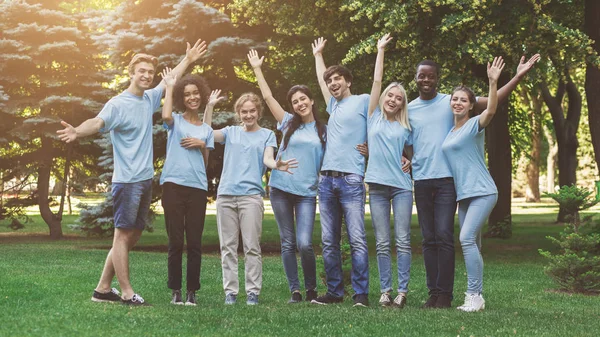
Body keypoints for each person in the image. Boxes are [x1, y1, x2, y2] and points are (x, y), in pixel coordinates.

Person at [57, 39, 207, 306]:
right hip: (127, 181)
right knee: (122, 235)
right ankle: (126, 292)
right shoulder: (117, 104)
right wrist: (77, 131)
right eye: (142, 71)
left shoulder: (149, 98)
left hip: (144, 179)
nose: (148, 76)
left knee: (132, 235)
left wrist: (188, 59)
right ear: (131, 73)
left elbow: (170, 79)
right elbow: (98, 122)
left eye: (150, 72)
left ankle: (103, 288)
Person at [407, 53, 541, 308]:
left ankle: (461, 295)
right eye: (421, 75)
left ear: (438, 79)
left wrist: (514, 76)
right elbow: (406, 139)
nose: (426, 79)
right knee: (440, 240)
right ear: (416, 78)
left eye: (431, 76)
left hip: (457, 186)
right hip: (446, 188)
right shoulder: (421, 112)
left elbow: (493, 104)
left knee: (457, 238)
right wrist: (407, 159)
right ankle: (438, 293)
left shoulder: (457, 108)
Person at [247, 50, 327, 303]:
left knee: (304, 243)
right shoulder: (287, 122)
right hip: (281, 188)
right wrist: (257, 68)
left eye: (303, 99)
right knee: (287, 242)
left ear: (312, 101)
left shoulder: (323, 130)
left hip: (306, 192)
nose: (299, 104)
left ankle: (312, 289)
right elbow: (267, 96)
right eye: (295, 101)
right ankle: (295, 290)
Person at [204, 92, 297, 306]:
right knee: (227, 246)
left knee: (251, 246)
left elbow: (268, 158)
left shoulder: (267, 134)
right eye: (244, 112)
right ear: (238, 113)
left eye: (252, 111)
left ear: (258, 112)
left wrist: (275, 165)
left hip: (251, 197)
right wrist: (209, 106)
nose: (248, 115)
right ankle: (231, 292)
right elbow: (207, 133)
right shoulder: (231, 132)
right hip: (226, 195)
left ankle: (253, 292)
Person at [310, 37, 370, 307]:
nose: (333, 84)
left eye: (337, 79)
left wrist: (375, 150)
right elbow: (322, 81)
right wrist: (318, 55)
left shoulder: (363, 101)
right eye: (330, 81)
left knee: (357, 239)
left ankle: (360, 294)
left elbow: (384, 126)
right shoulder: (333, 106)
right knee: (328, 241)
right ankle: (334, 292)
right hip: (326, 180)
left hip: (351, 179)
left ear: (348, 81)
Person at [442, 57, 504, 312]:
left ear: (470, 106)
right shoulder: (450, 132)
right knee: (473, 244)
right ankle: (476, 295)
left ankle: (474, 295)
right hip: (465, 195)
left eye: (463, 100)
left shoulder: (473, 125)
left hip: (483, 191)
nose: (457, 102)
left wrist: (492, 82)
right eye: (454, 99)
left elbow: (490, 110)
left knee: (465, 238)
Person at [160, 68, 224, 305]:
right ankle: (175, 290)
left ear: (201, 94)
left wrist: (201, 143)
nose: (192, 97)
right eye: (187, 94)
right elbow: (165, 116)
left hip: (197, 188)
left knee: (194, 242)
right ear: (181, 98)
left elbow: (205, 161)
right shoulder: (175, 121)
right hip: (173, 186)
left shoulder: (206, 130)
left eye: (195, 93)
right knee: (176, 241)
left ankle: (192, 292)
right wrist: (169, 85)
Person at [363, 34, 413, 308]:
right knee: (382, 242)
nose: (393, 100)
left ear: (403, 104)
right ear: (384, 98)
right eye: (390, 95)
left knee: (403, 241)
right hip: (378, 187)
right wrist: (380, 50)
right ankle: (385, 291)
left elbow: (418, 153)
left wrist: (411, 162)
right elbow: (376, 81)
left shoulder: (406, 126)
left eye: (399, 98)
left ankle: (402, 292)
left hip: (403, 187)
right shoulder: (373, 116)